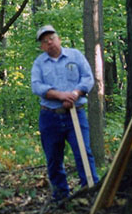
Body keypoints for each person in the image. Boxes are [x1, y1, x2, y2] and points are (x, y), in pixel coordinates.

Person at [30, 25, 99, 202]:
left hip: (76, 113)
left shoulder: (75, 55)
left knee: (83, 152)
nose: (50, 43)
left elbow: (88, 78)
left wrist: (75, 94)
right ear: (42, 47)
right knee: (53, 157)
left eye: (52, 38)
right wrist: (60, 95)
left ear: (59, 39)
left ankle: (91, 191)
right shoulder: (39, 63)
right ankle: (61, 196)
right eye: (45, 41)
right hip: (50, 116)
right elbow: (36, 86)